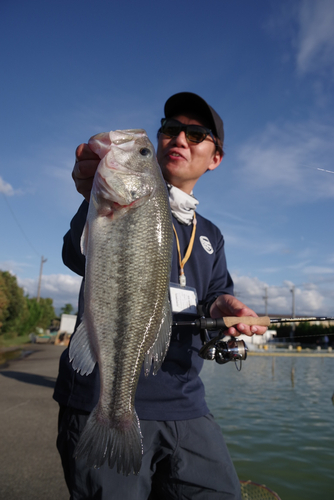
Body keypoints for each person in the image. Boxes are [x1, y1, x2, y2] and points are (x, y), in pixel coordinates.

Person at [53, 92, 267, 500]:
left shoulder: (211, 235)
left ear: (215, 156)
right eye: (169, 130)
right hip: (98, 394)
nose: (179, 139)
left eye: (196, 133)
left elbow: (216, 294)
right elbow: (74, 253)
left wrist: (224, 306)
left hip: (186, 403)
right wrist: (91, 196)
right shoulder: (118, 202)